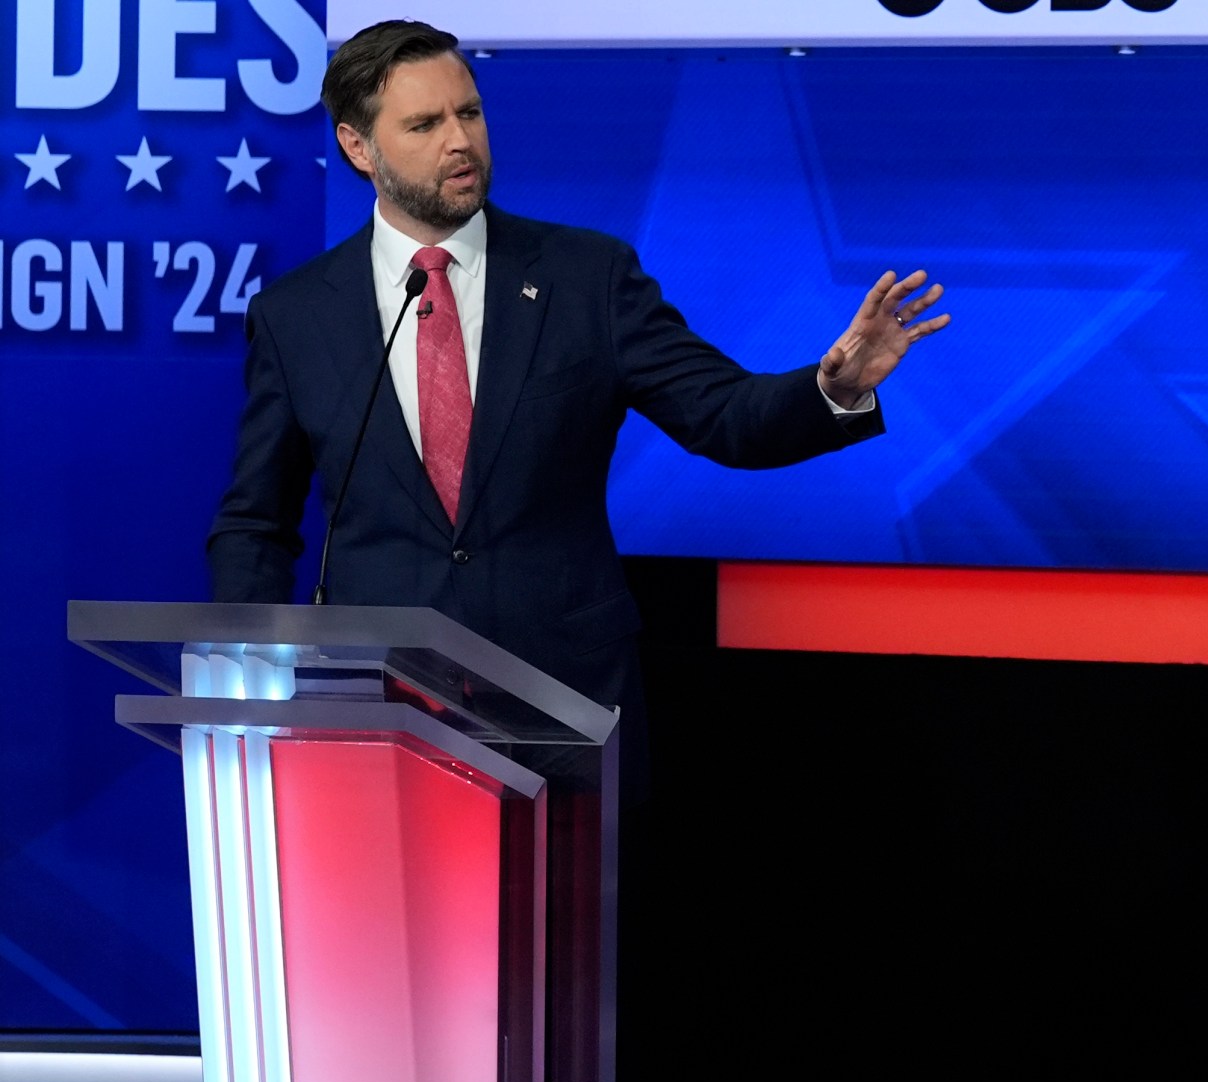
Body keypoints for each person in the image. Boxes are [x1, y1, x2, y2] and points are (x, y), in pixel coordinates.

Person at [208, 19, 947, 728]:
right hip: (378, 697)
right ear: (358, 147)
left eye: (469, 112)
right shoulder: (297, 315)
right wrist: (256, 669)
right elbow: (255, 522)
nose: (461, 141)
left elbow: (722, 414)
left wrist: (834, 388)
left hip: (562, 692)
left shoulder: (586, 277)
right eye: (425, 125)